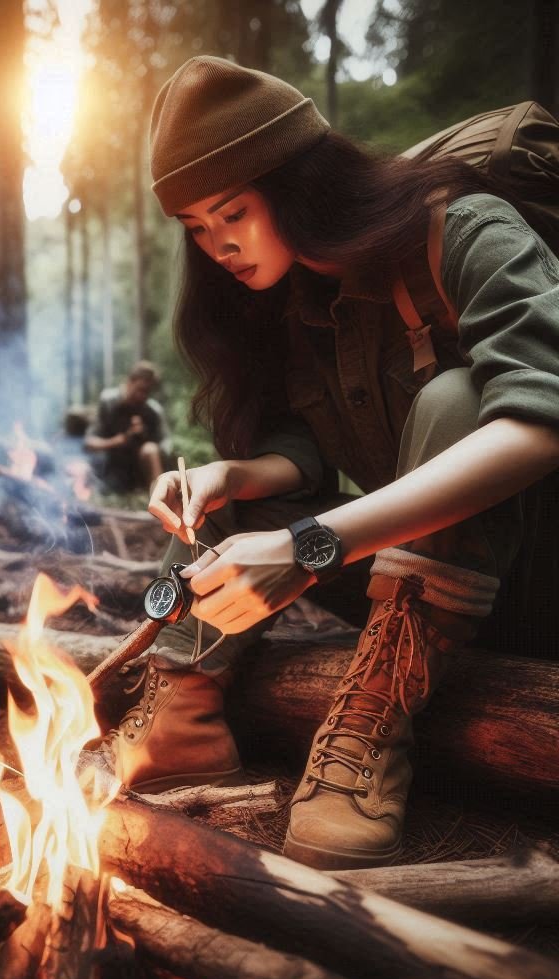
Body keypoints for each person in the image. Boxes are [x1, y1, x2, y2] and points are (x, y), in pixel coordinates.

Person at [104, 57, 559, 870]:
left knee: (459, 401)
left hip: (539, 580)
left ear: (300, 182)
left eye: (233, 212)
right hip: (418, 580)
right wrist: (236, 479)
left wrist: (311, 544)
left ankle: (371, 728)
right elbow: (306, 453)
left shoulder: (464, 229)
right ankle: (181, 712)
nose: (219, 247)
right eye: (196, 230)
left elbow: (539, 423)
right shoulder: (288, 301)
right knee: (222, 495)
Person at [83, 361, 171, 492]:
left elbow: (165, 445)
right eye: (139, 389)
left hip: (139, 471)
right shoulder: (109, 402)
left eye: (147, 392)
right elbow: (89, 442)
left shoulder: (152, 410)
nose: (142, 396)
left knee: (150, 449)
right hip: (112, 466)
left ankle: (160, 496)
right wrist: (118, 441)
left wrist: (145, 437)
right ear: (129, 382)